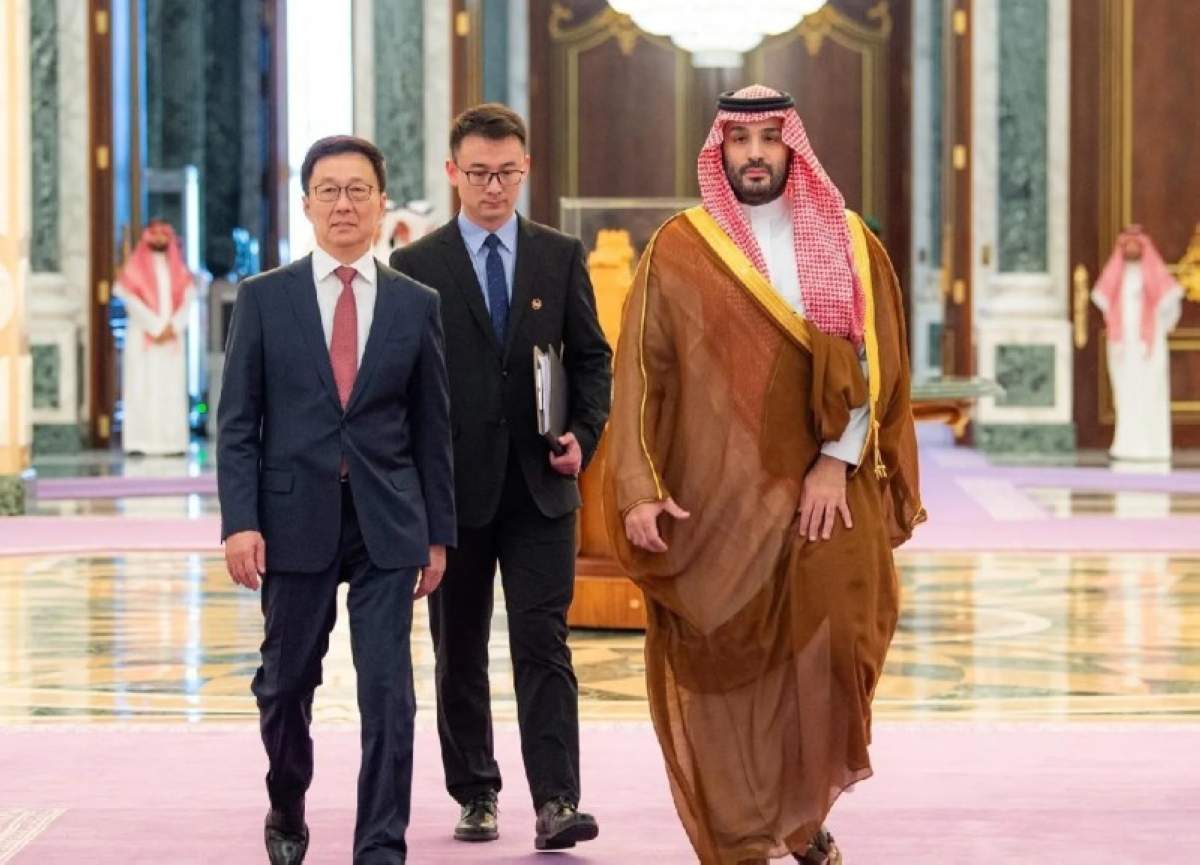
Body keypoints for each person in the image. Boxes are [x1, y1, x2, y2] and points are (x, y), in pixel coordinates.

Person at [602, 85, 925, 865]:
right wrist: (640, 487)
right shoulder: (684, 246)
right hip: (723, 498)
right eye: (740, 140)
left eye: (770, 139)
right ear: (719, 149)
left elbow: (876, 364)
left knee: (843, 645)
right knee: (732, 664)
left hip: (831, 493)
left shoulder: (849, 240)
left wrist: (834, 462)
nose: (755, 154)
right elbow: (642, 372)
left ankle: (802, 808)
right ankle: (752, 828)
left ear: (792, 147)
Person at [218, 134, 455, 865]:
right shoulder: (265, 298)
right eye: (329, 190)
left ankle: (380, 846)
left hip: (389, 521)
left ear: (382, 204)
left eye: (358, 190)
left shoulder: (416, 304)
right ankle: (287, 798)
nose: (344, 204)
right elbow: (237, 424)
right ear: (307, 204)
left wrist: (437, 534)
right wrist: (240, 523)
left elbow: (432, 428)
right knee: (284, 684)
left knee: (389, 693)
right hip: (292, 519)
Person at [388, 103, 612, 851]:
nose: (493, 188)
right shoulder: (416, 266)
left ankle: (557, 799)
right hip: (452, 491)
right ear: (452, 172)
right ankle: (476, 791)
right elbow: (402, 386)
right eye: (479, 173)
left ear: (526, 170)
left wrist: (584, 434)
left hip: (542, 486)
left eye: (506, 173)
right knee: (458, 648)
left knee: (543, 642)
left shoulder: (559, 253)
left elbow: (592, 359)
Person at [1091, 225, 1184, 462]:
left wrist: (1155, 329)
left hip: (1149, 349)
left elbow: (1171, 307)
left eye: (1135, 244)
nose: (1131, 248)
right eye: (1127, 244)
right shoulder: (1116, 275)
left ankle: (1155, 448)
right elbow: (1103, 300)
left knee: (1151, 393)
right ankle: (1125, 446)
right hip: (1123, 347)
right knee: (1125, 395)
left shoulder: (1155, 274)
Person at [114, 219, 195, 455]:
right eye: (155, 233)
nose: (159, 239)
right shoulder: (134, 269)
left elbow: (187, 302)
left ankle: (172, 443)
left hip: (171, 340)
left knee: (170, 391)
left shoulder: (180, 271)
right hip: (144, 339)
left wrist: (172, 327)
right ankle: (140, 443)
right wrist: (156, 327)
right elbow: (131, 300)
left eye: (164, 234)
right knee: (142, 389)